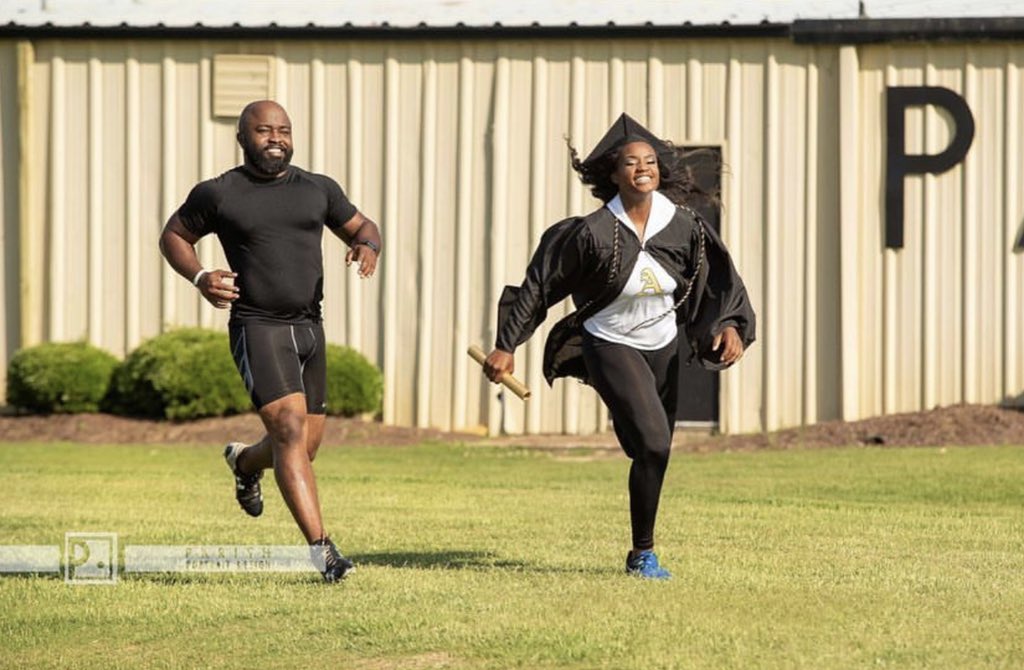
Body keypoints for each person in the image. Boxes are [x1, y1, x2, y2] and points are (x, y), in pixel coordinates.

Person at [483, 113, 755, 580]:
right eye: (631, 162)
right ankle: (643, 554)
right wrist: (506, 344)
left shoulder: (685, 226)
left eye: (649, 161)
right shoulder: (588, 232)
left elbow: (721, 281)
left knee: (653, 448)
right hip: (609, 341)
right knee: (652, 442)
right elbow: (538, 286)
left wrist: (730, 324)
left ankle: (639, 544)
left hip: (663, 343)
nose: (642, 168)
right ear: (614, 173)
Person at [158, 100, 382, 583]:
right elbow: (173, 235)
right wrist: (199, 276)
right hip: (257, 325)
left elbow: (364, 225)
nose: (275, 138)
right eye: (263, 130)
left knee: (304, 445)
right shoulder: (219, 193)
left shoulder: (318, 189)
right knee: (287, 430)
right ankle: (324, 553)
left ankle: (243, 461)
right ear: (243, 138)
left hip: (309, 327)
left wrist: (367, 244)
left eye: (283, 130)